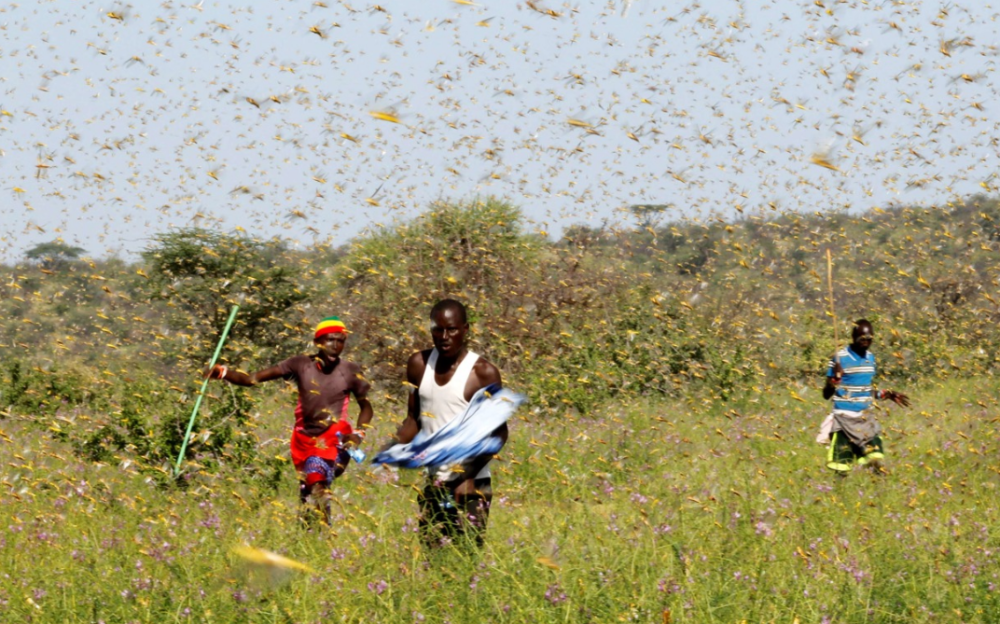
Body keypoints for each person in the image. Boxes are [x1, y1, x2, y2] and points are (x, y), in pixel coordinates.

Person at [206, 316, 372, 523]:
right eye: (330, 340)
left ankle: (324, 534)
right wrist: (223, 372)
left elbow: (366, 407)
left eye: (340, 341)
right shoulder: (300, 364)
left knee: (317, 480)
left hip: (333, 437)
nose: (335, 346)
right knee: (307, 490)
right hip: (303, 438)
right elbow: (251, 379)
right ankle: (309, 535)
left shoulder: (350, 371)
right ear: (318, 342)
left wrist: (358, 434)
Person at [385, 299, 506, 546]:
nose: (444, 336)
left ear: (466, 329)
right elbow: (413, 419)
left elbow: (499, 433)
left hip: (472, 483)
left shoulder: (483, 373)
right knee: (432, 557)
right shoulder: (418, 365)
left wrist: (466, 476)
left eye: (451, 329)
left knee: (468, 559)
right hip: (434, 482)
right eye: (437, 330)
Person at [816, 319, 910, 476]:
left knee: (874, 459)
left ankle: (881, 493)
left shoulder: (870, 358)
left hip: (865, 418)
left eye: (869, 339)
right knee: (841, 467)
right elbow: (826, 395)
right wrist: (834, 382)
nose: (866, 342)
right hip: (844, 418)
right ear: (853, 337)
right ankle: (838, 495)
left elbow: (865, 390)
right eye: (862, 339)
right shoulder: (839, 358)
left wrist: (887, 394)